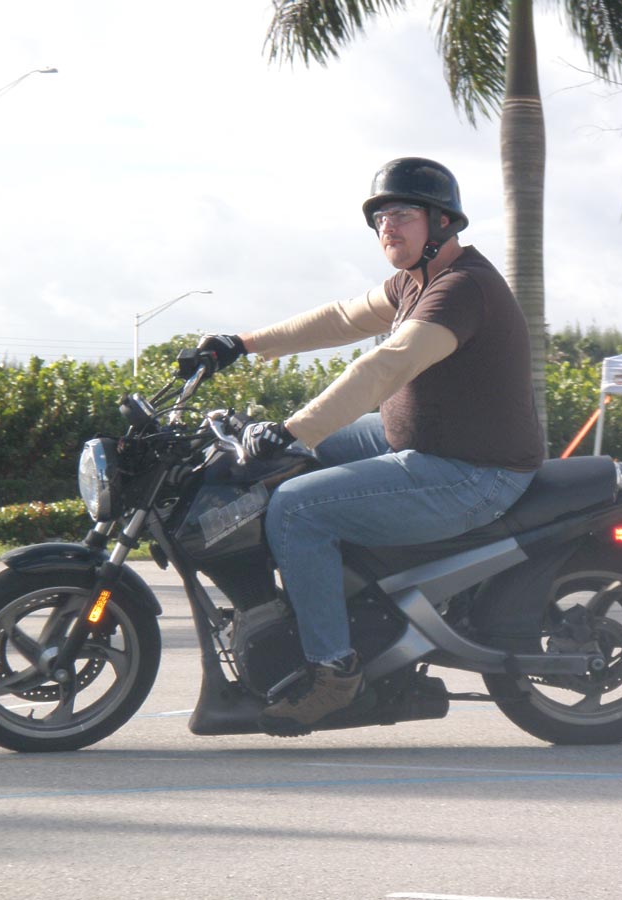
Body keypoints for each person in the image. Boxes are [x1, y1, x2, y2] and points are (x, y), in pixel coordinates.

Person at [199, 157, 544, 734]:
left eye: (402, 213)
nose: (388, 226)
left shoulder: (462, 289)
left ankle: (335, 673)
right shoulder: (413, 281)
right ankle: (314, 601)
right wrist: (240, 343)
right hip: (415, 440)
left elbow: (385, 366)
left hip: (473, 472)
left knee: (296, 509)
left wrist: (293, 429)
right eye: (380, 216)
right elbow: (340, 318)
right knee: (285, 468)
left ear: (442, 222)